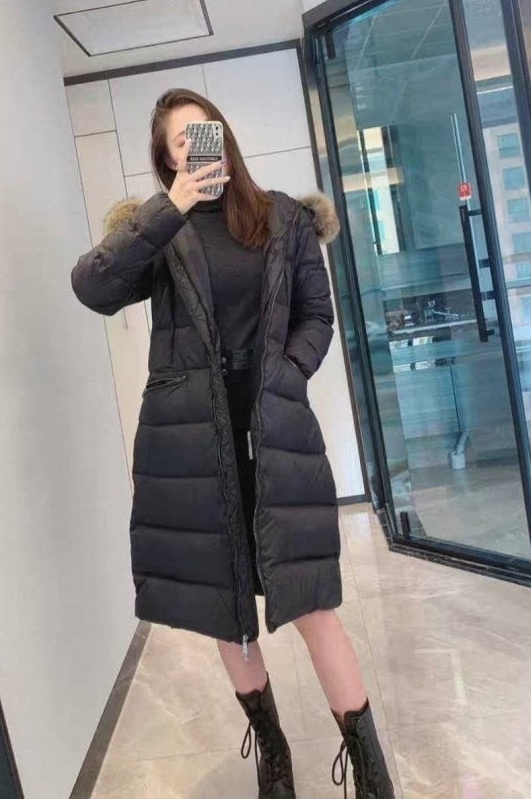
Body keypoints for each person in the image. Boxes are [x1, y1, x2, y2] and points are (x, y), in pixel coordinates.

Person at [70, 88, 394, 798]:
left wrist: (286, 372)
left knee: (312, 602)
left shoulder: (284, 218)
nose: (195, 149)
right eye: (179, 142)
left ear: (225, 135)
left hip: (276, 431)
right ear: (166, 158)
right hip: (192, 444)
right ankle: (274, 753)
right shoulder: (161, 230)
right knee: (228, 610)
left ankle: (371, 769)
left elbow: (317, 315)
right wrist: (168, 208)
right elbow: (92, 287)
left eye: (204, 133)